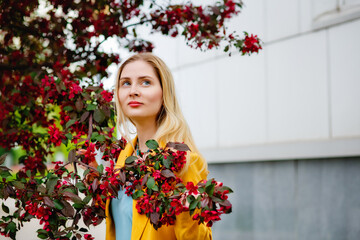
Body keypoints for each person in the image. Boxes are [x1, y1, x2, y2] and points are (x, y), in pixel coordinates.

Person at [105, 53, 212, 240]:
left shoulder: (184, 161)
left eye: (145, 82)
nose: (133, 91)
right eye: (126, 83)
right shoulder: (124, 157)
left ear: (164, 93)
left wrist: (187, 207)